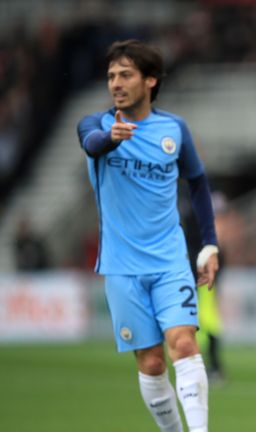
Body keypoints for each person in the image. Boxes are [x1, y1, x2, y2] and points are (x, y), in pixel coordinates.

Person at [76, 39, 219, 432]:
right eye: (111, 76)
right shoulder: (96, 124)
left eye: (125, 74)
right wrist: (112, 138)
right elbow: (90, 144)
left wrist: (208, 244)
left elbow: (198, 181)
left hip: (171, 259)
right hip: (122, 266)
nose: (116, 83)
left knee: (185, 345)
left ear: (150, 80)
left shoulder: (174, 129)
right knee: (152, 362)